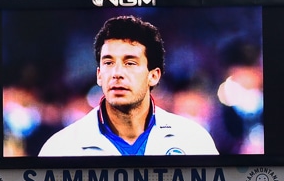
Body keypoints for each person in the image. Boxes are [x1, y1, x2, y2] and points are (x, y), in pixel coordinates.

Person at [39, 16, 218, 156]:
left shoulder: (194, 140)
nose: (117, 73)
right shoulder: (60, 147)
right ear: (99, 76)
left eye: (130, 63)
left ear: (154, 76)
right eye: (108, 63)